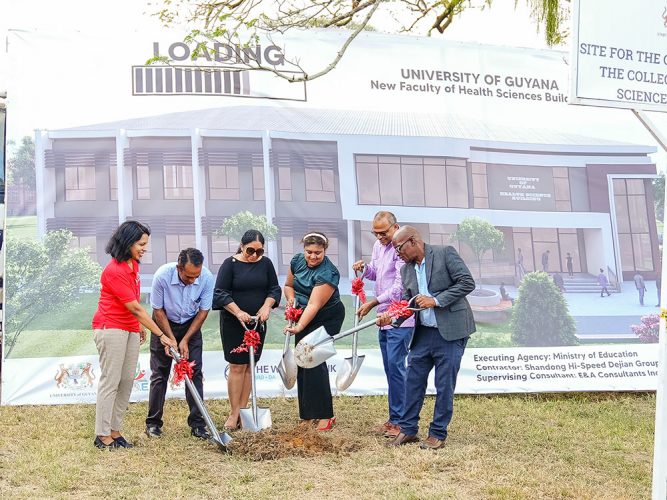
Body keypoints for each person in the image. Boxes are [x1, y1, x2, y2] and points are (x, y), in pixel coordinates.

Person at [379, 226, 475, 450]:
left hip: (450, 333)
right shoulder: (406, 270)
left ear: (413, 241)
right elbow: (406, 305)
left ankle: (437, 434)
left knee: (444, 385)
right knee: (413, 381)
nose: (397, 254)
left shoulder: (444, 253)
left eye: (399, 248)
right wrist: (391, 318)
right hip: (423, 334)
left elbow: (467, 283)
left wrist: (436, 300)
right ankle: (408, 429)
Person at [92, 221, 177, 450]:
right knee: (111, 380)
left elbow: (134, 302)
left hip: (128, 328)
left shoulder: (133, 265)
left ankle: (115, 430)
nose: (144, 248)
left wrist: (138, 326)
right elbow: (137, 308)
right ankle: (102, 435)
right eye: (141, 244)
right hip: (110, 328)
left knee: (127, 380)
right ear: (127, 242)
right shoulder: (114, 270)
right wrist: (161, 334)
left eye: (145, 244)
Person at [352, 211, 414, 438]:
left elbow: (399, 287)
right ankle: (395, 418)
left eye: (384, 232)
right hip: (382, 318)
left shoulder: (401, 249)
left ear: (395, 227)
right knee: (391, 369)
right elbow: (377, 274)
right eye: (375, 233)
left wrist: (373, 302)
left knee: (397, 369)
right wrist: (364, 269)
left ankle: (403, 421)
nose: (379, 237)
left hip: (400, 319)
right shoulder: (379, 247)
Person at [212, 230, 281, 431]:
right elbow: (220, 293)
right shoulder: (229, 264)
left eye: (259, 252)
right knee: (237, 366)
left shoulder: (266, 264)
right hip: (235, 322)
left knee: (250, 366)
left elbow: (274, 289)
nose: (254, 255)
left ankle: (244, 410)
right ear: (242, 246)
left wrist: (267, 306)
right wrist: (238, 311)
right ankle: (234, 413)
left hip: (257, 323)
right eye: (250, 250)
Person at [145, 248, 214, 440]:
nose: (193, 281)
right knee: (159, 373)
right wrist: (170, 339)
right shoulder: (162, 276)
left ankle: (198, 425)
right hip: (164, 322)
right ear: (178, 268)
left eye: (196, 276)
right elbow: (158, 310)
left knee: (195, 373)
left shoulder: (207, 278)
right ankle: (153, 424)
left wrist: (185, 340)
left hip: (191, 326)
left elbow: (203, 312)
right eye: (188, 276)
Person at [284, 232, 345, 431]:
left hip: (325, 316)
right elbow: (288, 286)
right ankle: (307, 415)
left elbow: (314, 304)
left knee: (314, 361)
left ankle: (326, 415)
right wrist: (291, 301)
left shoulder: (328, 272)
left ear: (324, 251)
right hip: (302, 314)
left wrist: (299, 326)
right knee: (302, 362)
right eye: (309, 252)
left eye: (317, 253)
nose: (312, 256)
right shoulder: (297, 261)